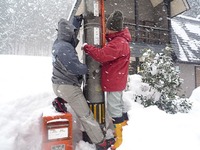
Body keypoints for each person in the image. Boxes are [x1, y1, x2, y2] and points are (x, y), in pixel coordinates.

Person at [51, 18, 114, 150]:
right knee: (86, 115)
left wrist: (77, 22)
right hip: (69, 88)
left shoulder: (59, 43)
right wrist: (87, 68)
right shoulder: (65, 48)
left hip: (58, 84)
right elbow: (75, 67)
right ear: (68, 34)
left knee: (78, 106)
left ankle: (60, 100)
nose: (74, 35)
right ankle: (100, 141)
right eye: (72, 33)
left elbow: (71, 38)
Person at [82, 10, 131, 149]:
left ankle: (119, 138)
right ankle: (124, 129)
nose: (106, 30)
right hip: (117, 80)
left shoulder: (118, 43)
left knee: (114, 108)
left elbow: (102, 55)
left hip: (115, 81)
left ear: (113, 28)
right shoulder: (120, 41)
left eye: (108, 27)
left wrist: (87, 48)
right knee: (118, 106)